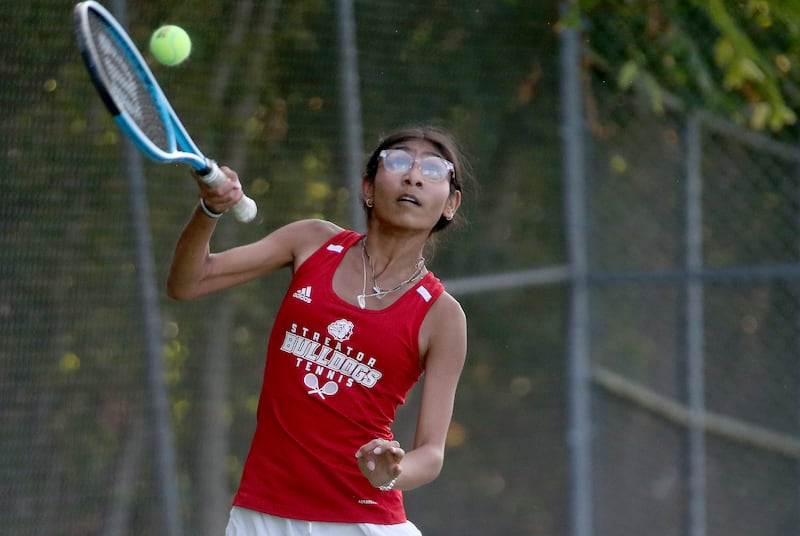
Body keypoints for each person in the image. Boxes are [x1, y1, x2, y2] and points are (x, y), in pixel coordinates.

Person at [167, 125, 470, 535]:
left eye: (434, 169)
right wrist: (209, 211)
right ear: (368, 187)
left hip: (362, 520)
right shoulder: (310, 241)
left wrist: (390, 474)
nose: (413, 176)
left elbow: (431, 454)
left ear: (450, 203)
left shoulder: (442, 316)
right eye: (397, 162)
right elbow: (187, 283)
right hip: (261, 514)